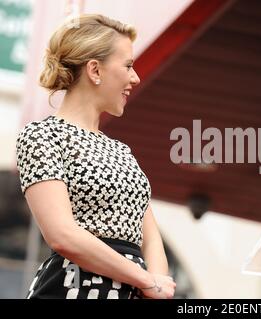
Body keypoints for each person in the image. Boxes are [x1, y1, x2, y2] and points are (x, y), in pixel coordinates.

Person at [16, 14, 176, 299]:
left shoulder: (122, 151)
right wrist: (147, 281)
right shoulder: (42, 135)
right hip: (73, 289)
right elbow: (63, 235)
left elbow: (150, 237)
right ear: (95, 70)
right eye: (127, 66)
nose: (135, 77)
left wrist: (158, 282)